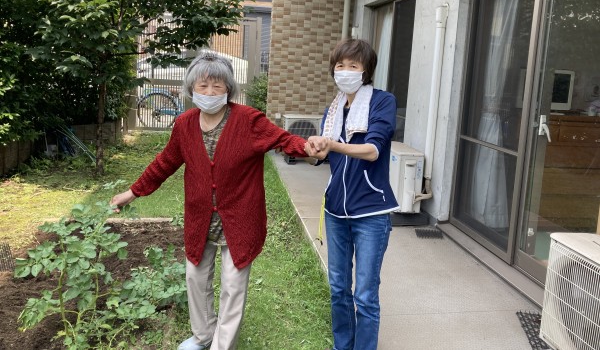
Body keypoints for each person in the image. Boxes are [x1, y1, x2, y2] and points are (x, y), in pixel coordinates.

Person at [110, 51, 308, 350]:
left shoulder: (248, 120)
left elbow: (285, 140)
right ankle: (203, 336)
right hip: (201, 218)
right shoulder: (184, 124)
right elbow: (164, 163)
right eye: (203, 85)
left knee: (232, 286)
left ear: (229, 88)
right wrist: (132, 192)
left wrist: (309, 147)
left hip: (240, 219)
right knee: (196, 278)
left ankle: (222, 345)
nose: (210, 92)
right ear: (192, 88)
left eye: (218, 85)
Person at [304, 38, 399, 350]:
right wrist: (312, 150)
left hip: (371, 212)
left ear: (366, 70)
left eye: (353, 65)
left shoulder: (382, 102)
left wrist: (332, 144)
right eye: (340, 65)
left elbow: (373, 150)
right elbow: (323, 158)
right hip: (335, 211)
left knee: (365, 295)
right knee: (338, 288)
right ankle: (342, 346)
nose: (344, 71)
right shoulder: (333, 111)